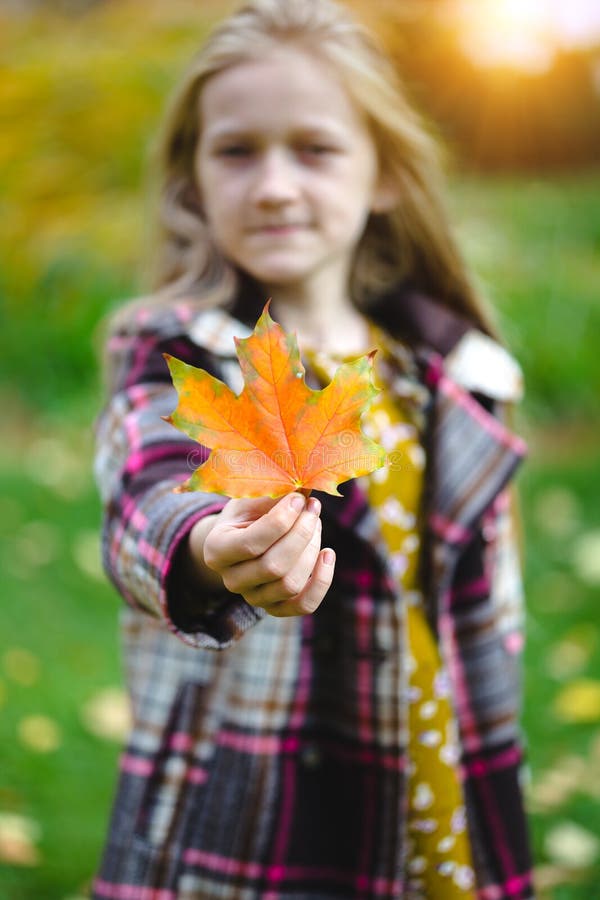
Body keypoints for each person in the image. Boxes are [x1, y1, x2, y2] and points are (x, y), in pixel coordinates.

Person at [92, 0, 534, 897]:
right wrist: (216, 551)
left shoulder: (455, 375)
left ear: (384, 175)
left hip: (437, 768)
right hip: (252, 809)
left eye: (316, 148)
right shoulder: (174, 349)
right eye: (237, 150)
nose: (275, 185)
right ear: (192, 178)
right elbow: (148, 497)